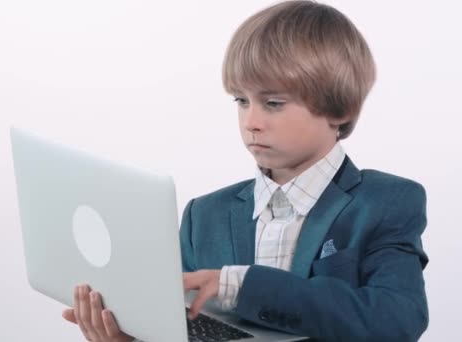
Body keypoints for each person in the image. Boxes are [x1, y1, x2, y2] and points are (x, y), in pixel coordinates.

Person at [62, 1, 429, 341]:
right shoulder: (203, 216)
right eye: (241, 101)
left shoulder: (387, 202)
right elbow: (183, 328)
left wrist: (240, 285)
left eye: (272, 103)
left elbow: (397, 320)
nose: (251, 121)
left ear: (340, 109)